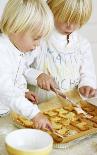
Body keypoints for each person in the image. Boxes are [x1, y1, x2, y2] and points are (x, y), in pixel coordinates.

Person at [24, 0, 97, 102]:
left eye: (76, 20)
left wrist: (87, 85)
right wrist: (37, 76)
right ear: (51, 10)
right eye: (65, 19)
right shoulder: (39, 40)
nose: (70, 26)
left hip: (71, 107)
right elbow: (19, 68)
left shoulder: (83, 44)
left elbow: (87, 73)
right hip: (40, 107)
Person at [0, 0, 54, 130]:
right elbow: (5, 90)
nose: (38, 44)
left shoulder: (15, 47)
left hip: (8, 111)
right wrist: (34, 114)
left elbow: (17, 72)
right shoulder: (2, 51)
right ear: (15, 27)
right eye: (36, 38)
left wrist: (22, 92)